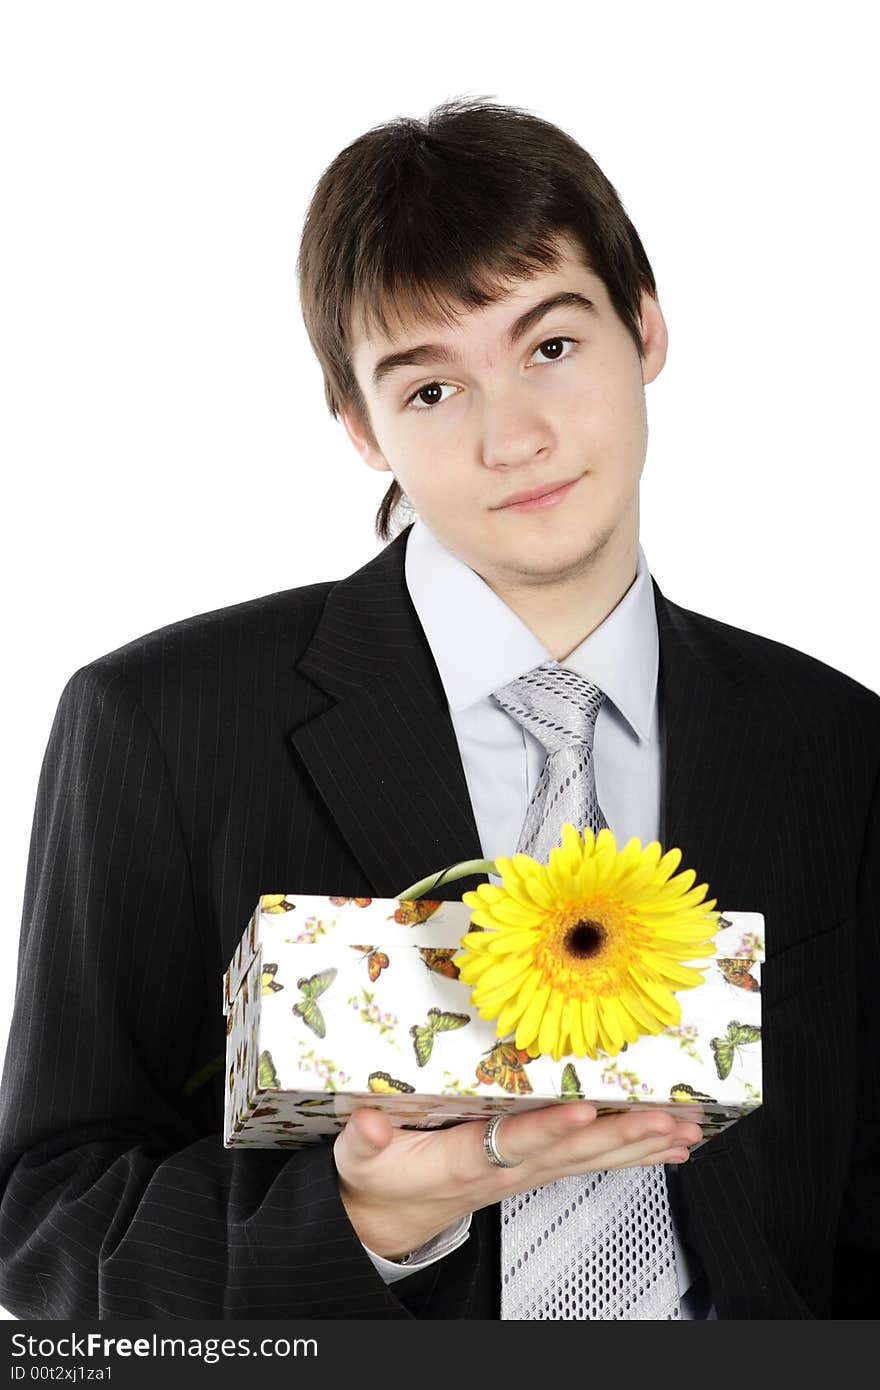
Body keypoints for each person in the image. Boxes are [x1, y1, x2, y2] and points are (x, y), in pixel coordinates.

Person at [0, 96, 877, 1321]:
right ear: (360, 428)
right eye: (429, 390)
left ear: (646, 325)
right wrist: (371, 1214)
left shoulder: (837, 742)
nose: (512, 435)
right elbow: (49, 1226)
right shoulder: (155, 723)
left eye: (551, 348)